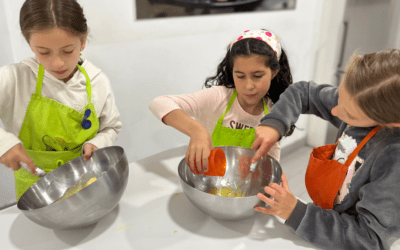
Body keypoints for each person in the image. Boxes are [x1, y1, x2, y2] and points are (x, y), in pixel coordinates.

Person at [251, 49, 400, 249]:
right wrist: (275, 123)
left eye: (350, 115)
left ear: (391, 123)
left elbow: (370, 239)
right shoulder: (357, 100)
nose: (335, 111)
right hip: (322, 223)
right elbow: (303, 92)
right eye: (340, 97)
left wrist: (296, 212)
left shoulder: (393, 159)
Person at [0, 0, 122, 200]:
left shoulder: (96, 81)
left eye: (67, 51)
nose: (57, 63)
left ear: (82, 41)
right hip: (36, 194)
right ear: (27, 41)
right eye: (43, 52)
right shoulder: (14, 79)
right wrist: (4, 143)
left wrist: (98, 142)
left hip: (86, 187)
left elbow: (111, 127)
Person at [149, 29, 293, 174]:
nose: (249, 86)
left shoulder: (275, 115)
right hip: (207, 178)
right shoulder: (218, 97)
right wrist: (197, 131)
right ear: (232, 72)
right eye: (240, 76)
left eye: (257, 75)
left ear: (273, 73)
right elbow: (159, 103)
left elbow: (270, 166)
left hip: (245, 186)